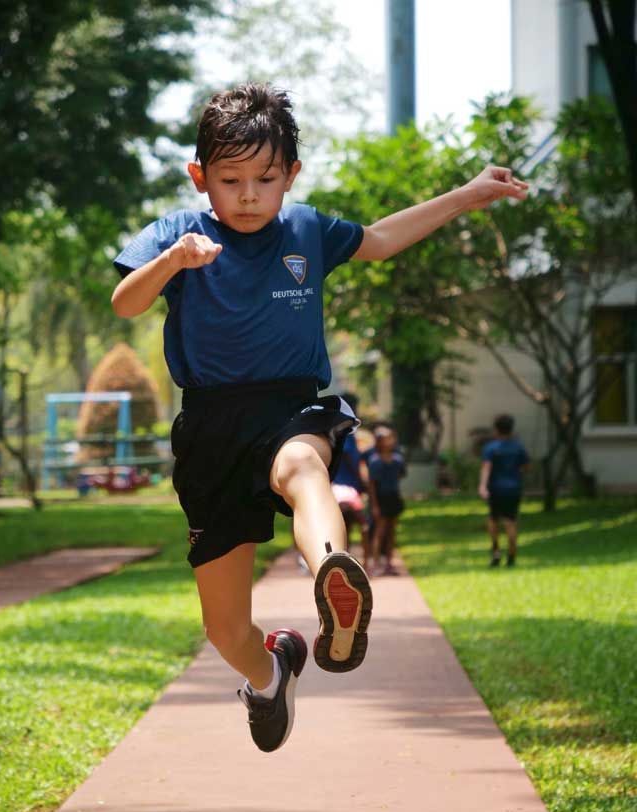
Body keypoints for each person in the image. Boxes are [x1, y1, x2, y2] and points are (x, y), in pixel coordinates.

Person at [111, 83, 528, 753]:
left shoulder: (307, 229)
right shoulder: (177, 234)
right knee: (225, 631)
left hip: (293, 406)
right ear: (201, 178)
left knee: (304, 465)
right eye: (231, 179)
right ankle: (271, 670)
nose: (249, 194)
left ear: (291, 176)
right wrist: (172, 262)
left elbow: (385, 239)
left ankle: (335, 575)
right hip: (211, 428)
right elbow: (126, 303)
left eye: (266, 178)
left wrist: (471, 192)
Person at [478, 414, 530, 567]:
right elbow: (526, 467)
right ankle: (512, 554)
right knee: (511, 521)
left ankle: (495, 550)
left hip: (496, 489)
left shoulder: (491, 448)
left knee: (493, 519)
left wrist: (482, 485)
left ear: (496, 429)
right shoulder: (518, 447)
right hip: (514, 488)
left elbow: (486, 467)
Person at [330, 392, 372, 572]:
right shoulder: (345, 429)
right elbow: (347, 456)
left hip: (340, 485)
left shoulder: (342, 429)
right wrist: (361, 481)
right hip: (345, 486)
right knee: (360, 524)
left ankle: (344, 563)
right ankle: (360, 563)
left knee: (344, 526)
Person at [367, 427, 406, 575]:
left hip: (393, 497)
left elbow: (399, 476)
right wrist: (374, 505)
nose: (390, 441)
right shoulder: (375, 461)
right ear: (379, 442)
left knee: (391, 532)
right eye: (386, 438)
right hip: (380, 499)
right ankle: (375, 564)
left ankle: (389, 564)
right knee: (379, 532)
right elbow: (371, 485)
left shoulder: (398, 460)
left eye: (392, 438)